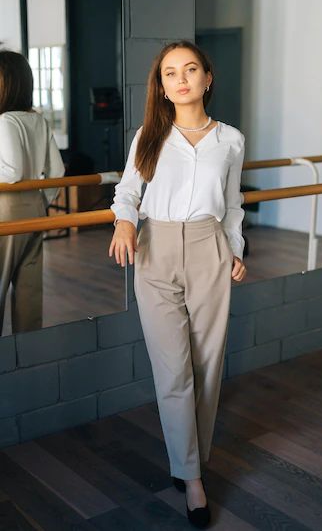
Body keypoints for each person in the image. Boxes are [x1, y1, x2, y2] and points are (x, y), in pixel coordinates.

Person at [109, 39, 246, 528]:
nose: (181, 78)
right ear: (162, 87)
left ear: (207, 79)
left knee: (208, 367)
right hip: (156, 250)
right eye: (170, 73)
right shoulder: (149, 134)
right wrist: (125, 222)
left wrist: (235, 248)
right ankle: (191, 477)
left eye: (191, 69)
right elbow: (127, 191)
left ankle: (190, 459)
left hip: (210, 248)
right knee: (173, 370)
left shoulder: (230, 139)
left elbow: (232, 204)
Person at [0, 50, 65, 335]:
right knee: (29, 292)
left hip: (6, 212)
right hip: (35, 209)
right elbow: (58, 173)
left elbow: (11, 172)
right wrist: (42, 201)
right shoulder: (38, 120)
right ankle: (28, 360)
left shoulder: (5, 121)